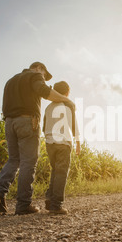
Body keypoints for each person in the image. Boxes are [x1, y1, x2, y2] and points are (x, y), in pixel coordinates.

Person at [0, 62, 75, 215]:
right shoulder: (35, 75)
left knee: (13, 160)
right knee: (28, 162)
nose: (43, 78)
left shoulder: (11, 80)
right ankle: (23, 204)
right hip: (26, 121)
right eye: (44, 75)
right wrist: (66, 100)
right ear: (39, 68)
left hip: (9, 123)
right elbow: (44, 91)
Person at [43, 81, 80, 215]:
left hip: (49, 142)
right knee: (61, 172)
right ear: (67, 93)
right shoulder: (67, 104)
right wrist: (78, 143)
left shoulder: (48, 108)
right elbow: (73, 125)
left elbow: (44, 126)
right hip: (63, 142)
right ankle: (56, 205)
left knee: (55, 170)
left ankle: (49, 197)